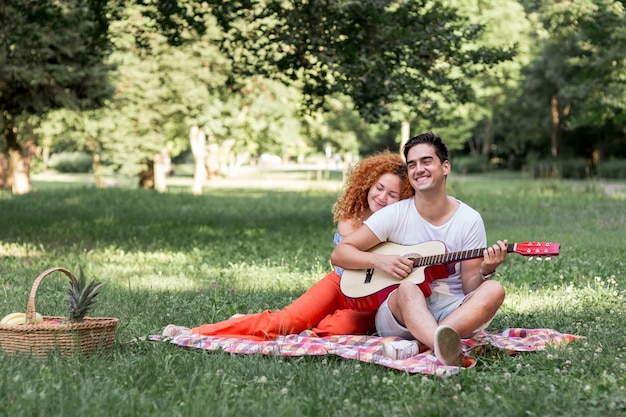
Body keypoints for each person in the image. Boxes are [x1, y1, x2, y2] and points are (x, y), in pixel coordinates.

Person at [162, 151, 414, 340]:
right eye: (379, 188)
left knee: (338, 329)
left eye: (392, 195)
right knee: (287, 322)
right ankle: (197, 332)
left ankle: (262, 326)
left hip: (374, 296)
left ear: (404, 200)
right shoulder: (350, 220)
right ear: (368, 184)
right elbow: (342, 256)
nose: (382, 197)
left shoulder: (402, 225)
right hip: (340, 283)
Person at [330, 132, 507, 365]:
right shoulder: (395, 214)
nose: (418, 169)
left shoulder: (469, 219)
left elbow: (469, 287)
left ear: (445, 167)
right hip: (400, 311)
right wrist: (380, 261)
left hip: (453, 311)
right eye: (412, 164)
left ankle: (421, 344)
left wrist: (485, 271)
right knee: (408, 288)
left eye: (426, 161)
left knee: (494, 289)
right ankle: (441, 345)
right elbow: (340, 253)